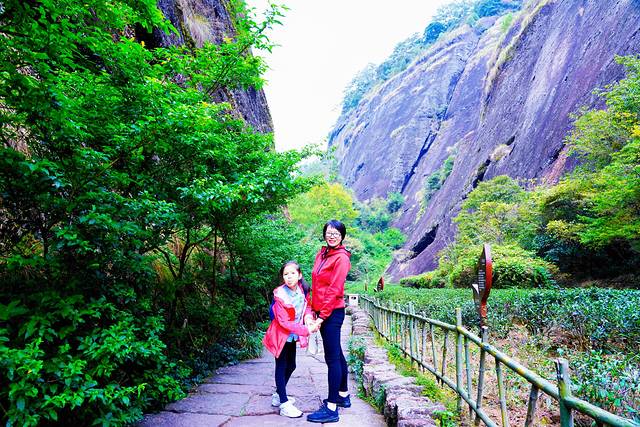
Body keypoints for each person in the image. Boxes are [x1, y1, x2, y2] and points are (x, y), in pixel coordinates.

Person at [306, 220, 352, 424]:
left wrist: (322, 317)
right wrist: (311, 309)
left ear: (342, 236)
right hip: (323, 311)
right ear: (324, 234)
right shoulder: (322, 254)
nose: (332, 235)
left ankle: (332, 408)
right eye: (329, 232)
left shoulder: (341, 258)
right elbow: (316, 285)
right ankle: (343, 395)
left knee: (332, 359)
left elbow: (335, 290)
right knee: (338, 355)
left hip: (332, 313)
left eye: (336, 233)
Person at [263, 261, 319, 418]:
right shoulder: (280, 295)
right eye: (285, 274)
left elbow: (307, 306)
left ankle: (278, 394)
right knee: (281, 366)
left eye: (292, 273)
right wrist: (306, 330)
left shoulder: (302, 289)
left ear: (299, 275)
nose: (289, 277)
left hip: (291, 337)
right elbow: (283, 322)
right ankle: (284, 404)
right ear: (282, 277)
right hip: (280, 337)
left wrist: (308, 319)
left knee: (292, 365)